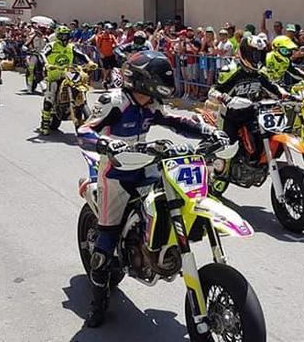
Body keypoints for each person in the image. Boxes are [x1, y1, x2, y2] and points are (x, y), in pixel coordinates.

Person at [76, 51, 224, 328]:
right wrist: (104, 144)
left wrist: (208, 131)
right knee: (106, 237)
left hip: (147, 168)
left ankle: (156, 246)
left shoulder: (152, 104)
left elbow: (178, 122)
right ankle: (98, 301)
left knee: (174, 200)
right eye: (159, 77)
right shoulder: (115, 101)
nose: (165, 82)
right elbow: (85, 131)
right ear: (142, 79)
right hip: (116, 175)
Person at [208, 34, 284, 146]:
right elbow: (212, 91)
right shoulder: (231, 70)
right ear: (246, 53)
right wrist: (225, 98)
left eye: (260, 54)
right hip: (231, 116)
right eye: (255, 54)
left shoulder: (259, 72)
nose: (258, 58)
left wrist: (286, 95)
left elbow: (272, 87)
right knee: (227, 147)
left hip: (251, 114)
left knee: (262, 140)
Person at [39, 25, 94, 135]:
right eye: (62, 35)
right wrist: (46, 64)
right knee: (50, 97)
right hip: (54, 75)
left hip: (68, 74)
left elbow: (82, 54)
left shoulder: (71, 46)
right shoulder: (51, 46)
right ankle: (44, 124)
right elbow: (42, 54)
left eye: (66, 35)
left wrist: (89, 62)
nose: (65, 38)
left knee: (79, 86)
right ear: (58, 36)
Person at [94, 23, 119, 89]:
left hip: (111, 55)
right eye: (108, 29)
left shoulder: (112, 36)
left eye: (110, 29)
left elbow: (116, 44)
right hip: (104, 55)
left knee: (113, 68)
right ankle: (104, 80)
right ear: (105, 29)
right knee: (106, 68)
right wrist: (101, 54)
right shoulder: (101, 37)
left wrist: (114, 46)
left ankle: (112, 81)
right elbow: (98, 46)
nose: (109, 30)